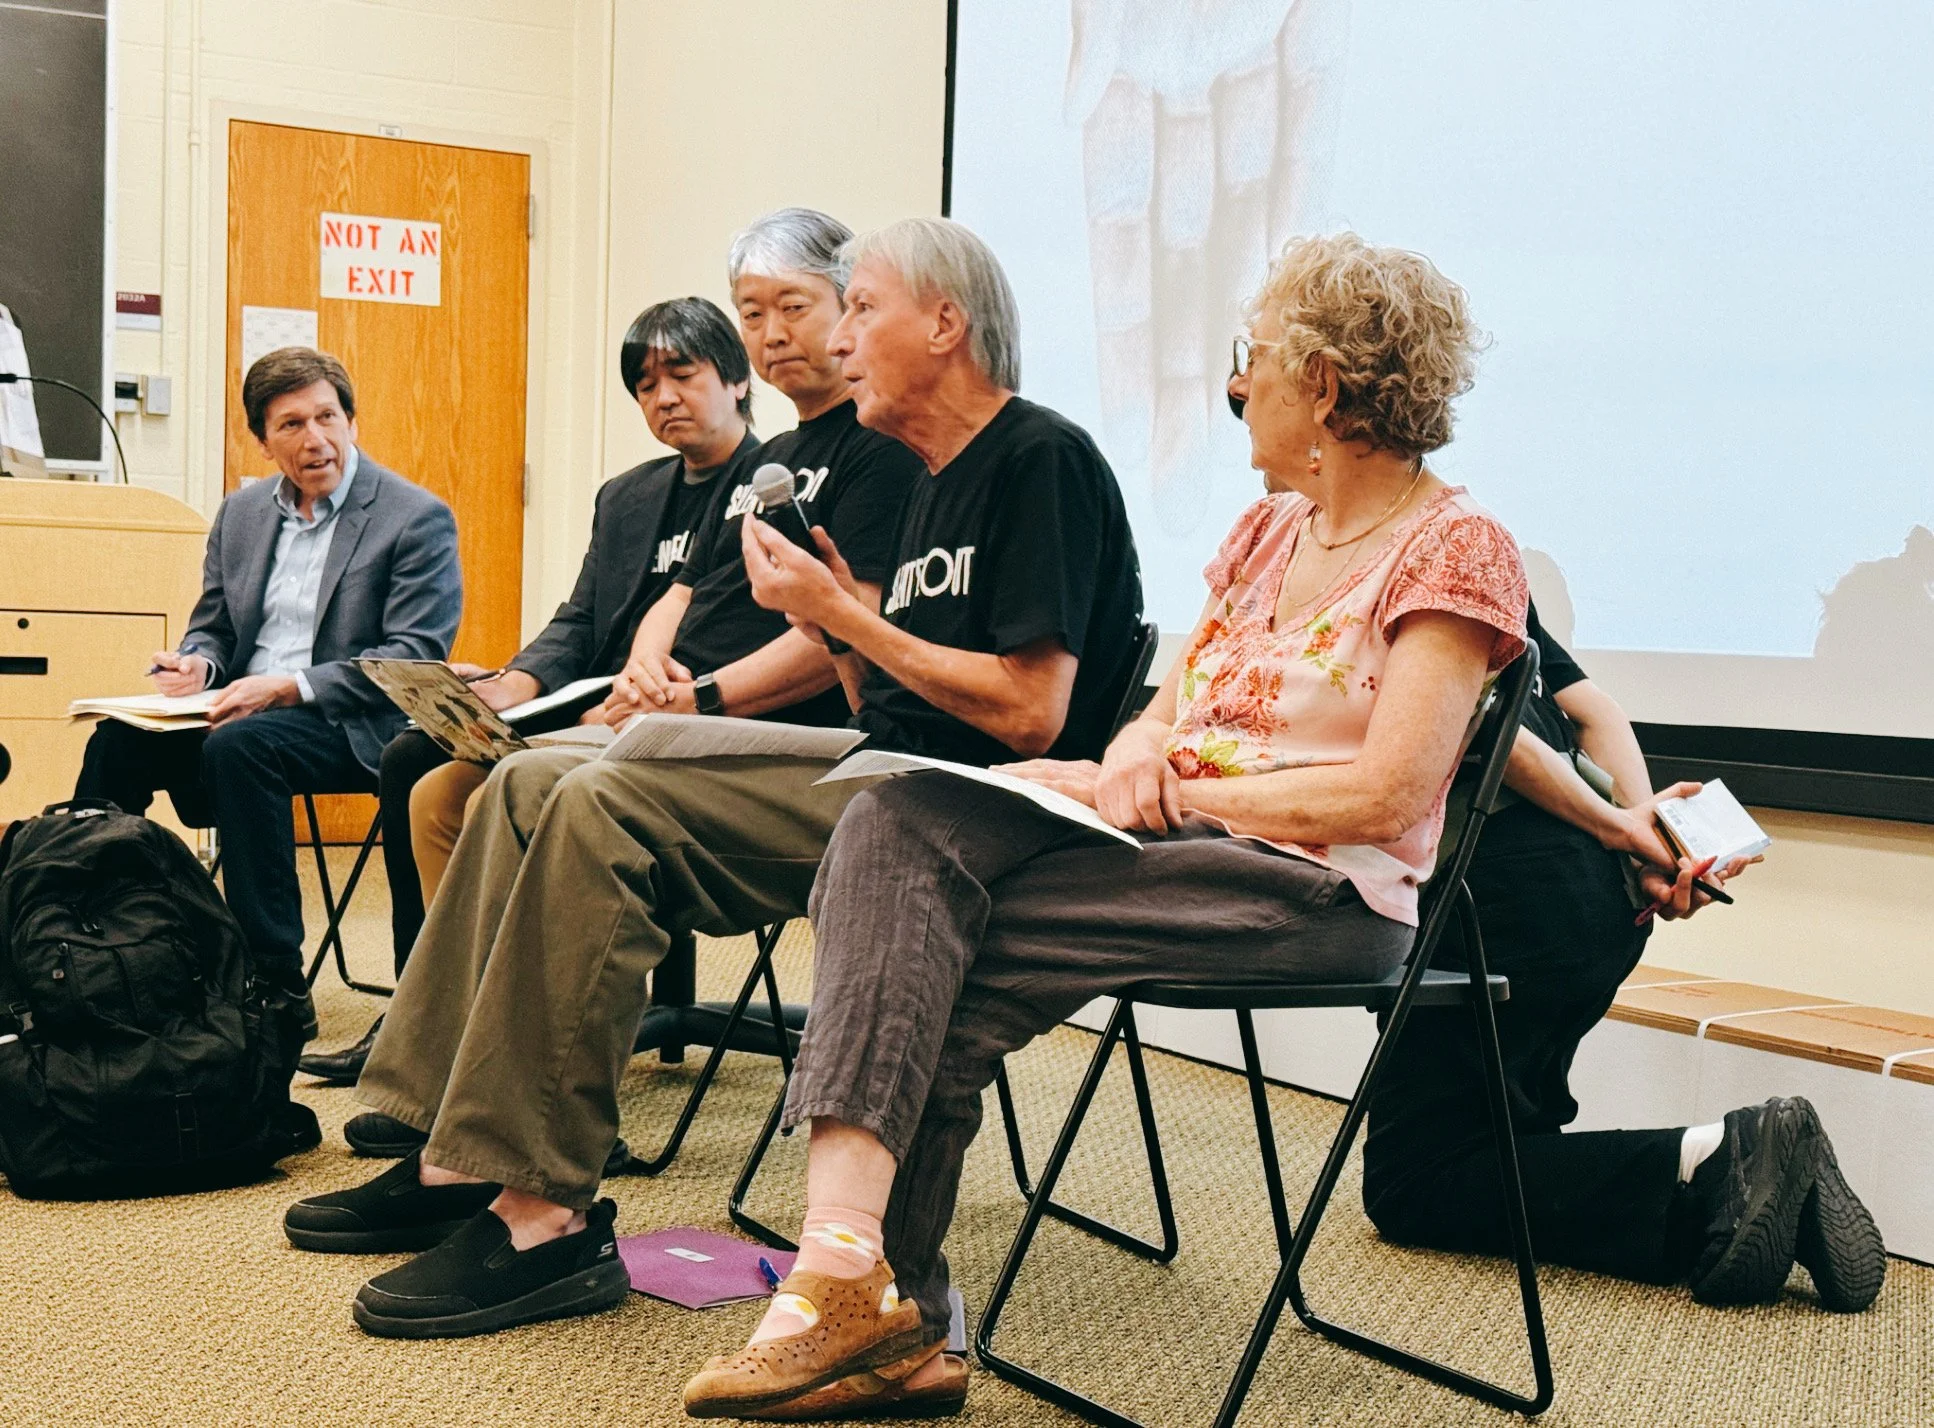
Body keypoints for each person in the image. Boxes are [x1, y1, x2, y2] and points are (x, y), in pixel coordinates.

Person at [680, 231, 1529, 1420]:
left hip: (1318, 890)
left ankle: (871, 1302)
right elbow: (1163, 712)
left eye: (1257, 359)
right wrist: (1120, 765)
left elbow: (1387, 797)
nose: (1237, 385)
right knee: (897, 817)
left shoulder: (1456, 548)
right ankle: (862, 1290)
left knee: (927, 954)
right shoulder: (1264, 531)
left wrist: (1182, 794)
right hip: (1173, 844)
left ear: (1324, 385)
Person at [280, 214, 1144, 1346]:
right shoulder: (933, 475)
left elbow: (1029, 709)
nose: (838, 343)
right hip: (879, 765)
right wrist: (830, 621)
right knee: (529, 782)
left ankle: (543, 1216)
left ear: (944, 325)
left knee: (589, 803)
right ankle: (452, 1155)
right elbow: (887, 688)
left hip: (967, 808)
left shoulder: (1037, 458)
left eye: (860, 311)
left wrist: (841, 620)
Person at [1360, 602, 1888, 1312]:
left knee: (1413, 1185)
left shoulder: (1393, 565)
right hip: (1592, 899)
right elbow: (1596, 712)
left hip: (1499, 899)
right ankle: (1724, 1200)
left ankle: (1721, 1154)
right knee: (1506, 1144)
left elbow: (1483, 725)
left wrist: (1618, 827)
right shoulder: (1493, 569)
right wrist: (1648, 847)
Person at [297, 296, 759, 1085]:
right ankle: (432, 1010)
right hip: (586, 706)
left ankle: (510, 1041)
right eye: (646, 386)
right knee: (416, 760)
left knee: (479, 798)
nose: (665, 398)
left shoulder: (767, 484)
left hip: (673, 720)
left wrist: (588, 704)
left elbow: (732, 639)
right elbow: (579, 618)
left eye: (682, 374)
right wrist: (513, 683)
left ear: (739, 380)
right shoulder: (628, 496)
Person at [73, 348, 460, 1037]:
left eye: (327, 417)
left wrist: (290, 686)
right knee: (117, 741)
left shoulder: (414, 517)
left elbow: (413, 657)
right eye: (291, 425)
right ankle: (82, 942)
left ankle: (272, 981)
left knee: (244, 748)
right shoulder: (242, 514)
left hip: (352, 723)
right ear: (263, 440)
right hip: (240, 710)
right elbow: (215, 628)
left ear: (351, 420)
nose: (315, 439)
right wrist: (198, 667)